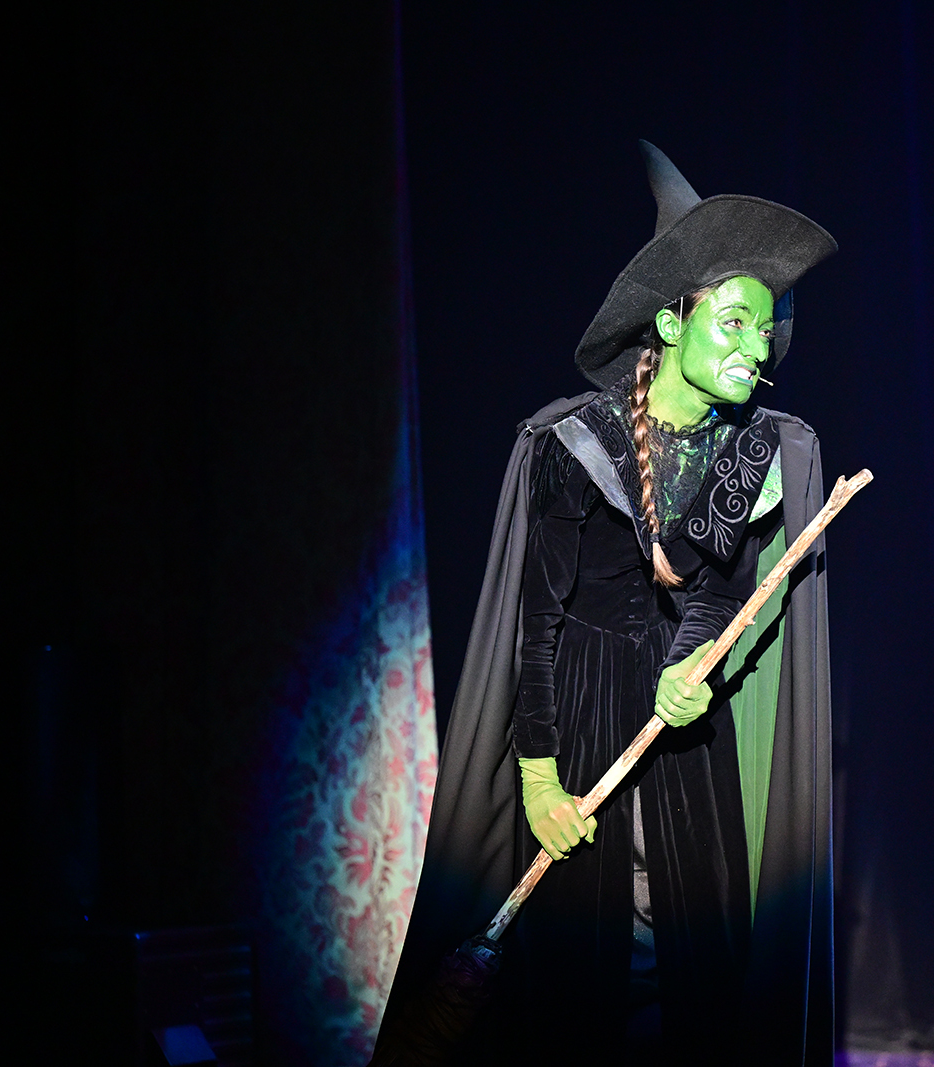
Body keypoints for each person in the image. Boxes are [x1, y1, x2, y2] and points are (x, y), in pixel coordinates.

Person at [375, 142, 838, 1066]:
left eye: (766, 331)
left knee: (692, 982)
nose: (758, 349)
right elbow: (535, 625)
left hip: (688, 749)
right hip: (579, 729)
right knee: (577, 992)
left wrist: (691, 664)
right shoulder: (574, 442)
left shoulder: (755, 450)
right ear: (671, 322)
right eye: (735, 323)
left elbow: (717, 589)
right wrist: (540, 779)